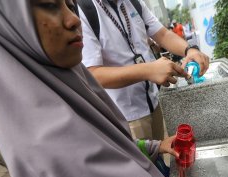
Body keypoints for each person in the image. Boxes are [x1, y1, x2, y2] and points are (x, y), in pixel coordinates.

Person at [0, 1, 185, 177]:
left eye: (71, 6)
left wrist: (155, 147)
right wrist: (147, 70)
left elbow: (108, 143)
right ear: (11, 23)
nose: (74, 19)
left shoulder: (71, 86)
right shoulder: (43, 145)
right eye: (49, 5)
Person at [79, 0, 209, 140]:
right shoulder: (85, 10)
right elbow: (92, 74)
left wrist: (189, 50)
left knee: (159, 158)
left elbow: (162, 34)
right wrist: (147, 70)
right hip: (125, 116)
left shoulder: (134, 3)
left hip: (154, 103)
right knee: (143, 161)